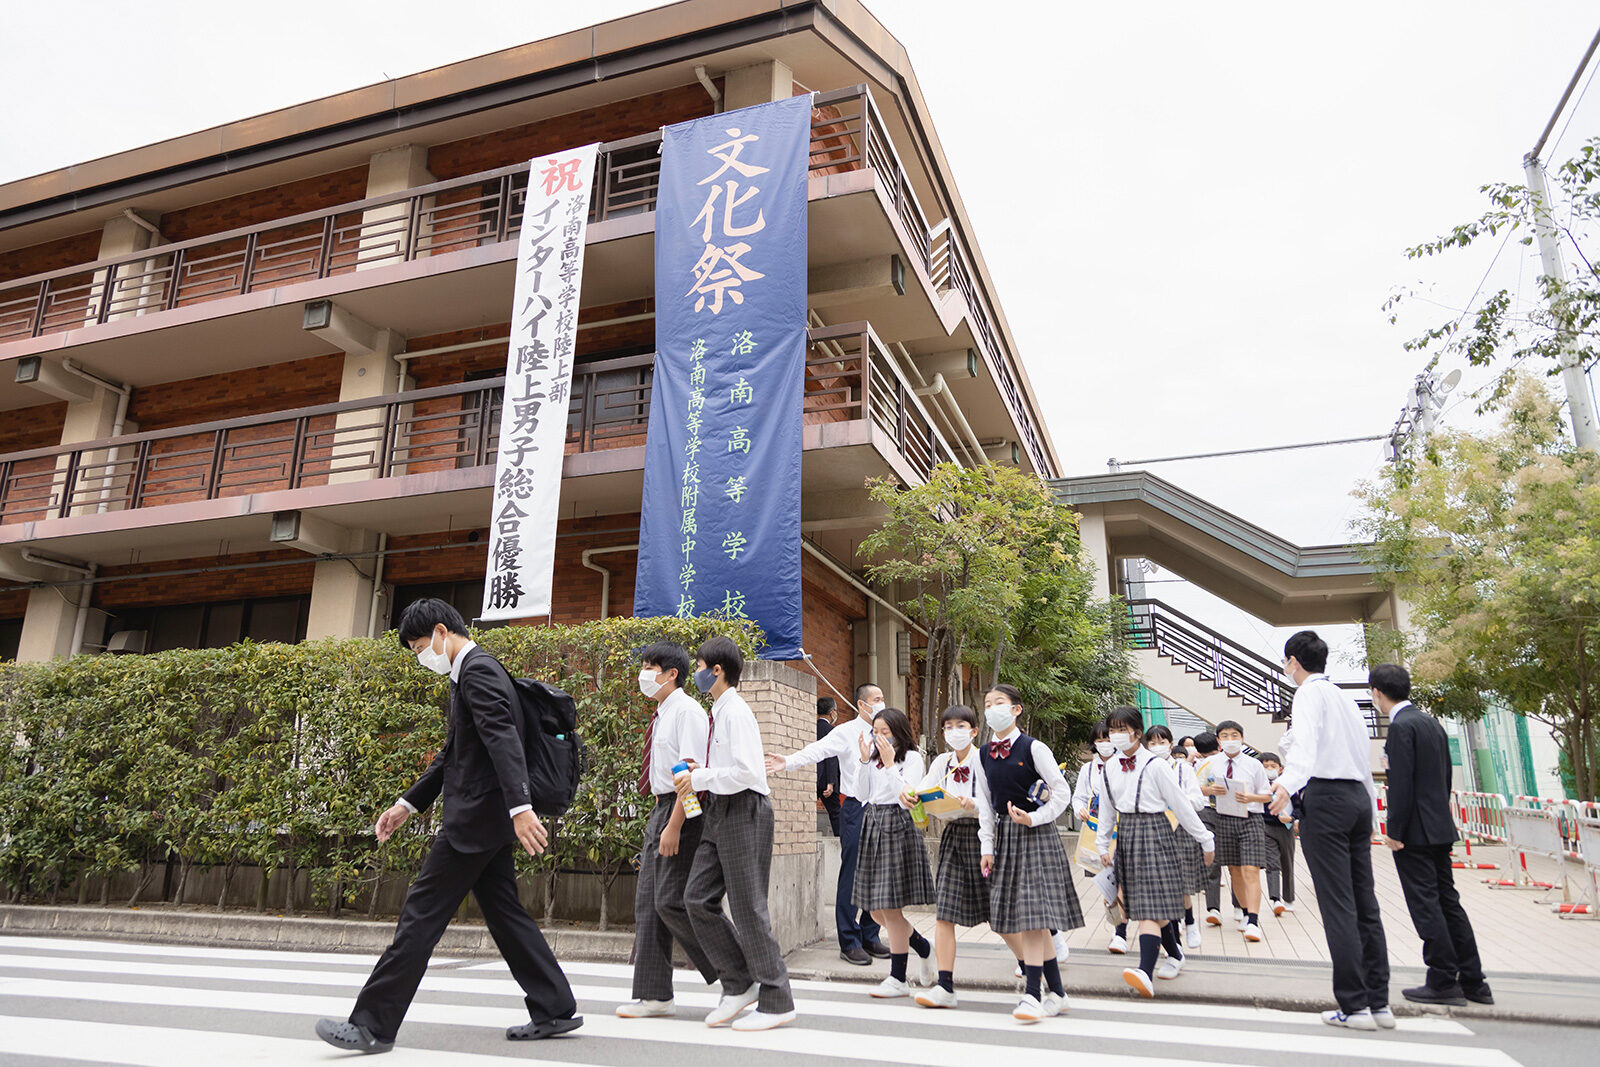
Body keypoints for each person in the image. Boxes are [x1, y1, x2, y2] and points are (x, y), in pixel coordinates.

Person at [315, 599, 580, 1054]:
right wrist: (406, 805)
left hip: (475, 822)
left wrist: (521, 807)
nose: (422, 657)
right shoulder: (470, 673)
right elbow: (454, 753)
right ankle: (554, 1006)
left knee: (420, 917)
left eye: (420, 646)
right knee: (505, 914)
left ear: (442, 632)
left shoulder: (476, 671)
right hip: (486, 820)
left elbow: (503, 740)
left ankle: (371, 1025)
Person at [1270, 631, 1392, 1032]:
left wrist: (1287, 784)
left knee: (1338, 904)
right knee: (1364, 902)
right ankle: (1379, 1003)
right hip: (1358, 797)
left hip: (1327, 798)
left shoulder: (1307, 694)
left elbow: (1303, 745)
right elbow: (1362, 756)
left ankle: (1354, 1006)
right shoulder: (1345, 698)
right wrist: (1371, 814)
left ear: (1293, 662)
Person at [674, 636, 796, 1032]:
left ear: (718, 670)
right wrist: (702, 769)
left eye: (700, 665)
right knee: (696, 897)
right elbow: (729, 766)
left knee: (747, 907)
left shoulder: (736, 713)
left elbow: (746, 772)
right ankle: (740, 982)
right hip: (719, 811)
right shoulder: (718, 712)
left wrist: (700, 776)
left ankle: (777, 999)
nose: (697, 672)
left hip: (744, 809)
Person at [1372, 663, 1492, 1007]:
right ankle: (1474, 981)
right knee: (1448, 903)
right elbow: (1445, 777)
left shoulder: (1400, 728)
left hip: (1414, 832)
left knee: (1426, 907)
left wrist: (1393, 830)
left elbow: (1401, 784)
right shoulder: (1431, 723)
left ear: (1377, 692)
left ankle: (1442, 980)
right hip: (1439, 825)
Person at [617, 641, 718, 1019]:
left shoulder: (687, 712)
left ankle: (736, 973)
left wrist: (675, 825)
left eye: (649, 666)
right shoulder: (662, 712)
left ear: (671, 673)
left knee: (669, 902)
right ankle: (655, 994)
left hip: (683, 810)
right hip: (661, 807)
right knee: (648, 905)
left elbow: (690, 776)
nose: (644, 674)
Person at [977, 684, 1083, 1023]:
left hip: (1035, 835)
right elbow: (985, 804)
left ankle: (1033, 995)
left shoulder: (1034, 748)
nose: (992, 708)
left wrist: (1034, 818)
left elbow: (1062, 792)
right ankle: (1059, 995)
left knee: (1034, 920)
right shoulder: (983, 753)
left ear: (1016, 709)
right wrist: (987, 846)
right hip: (1006, 837)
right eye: (988, 703)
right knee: (1026, 919)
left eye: (1000, 703)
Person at [1097, 707, 1216, 998]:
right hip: (1126, 835)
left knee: (1148, 905)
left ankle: (1144, 971)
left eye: (1122, 729)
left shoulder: (1156, 765)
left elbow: (1180, 804)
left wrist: (1206, 839)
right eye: (1112, 729)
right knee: (1145, 902)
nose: (1116, 735)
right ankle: (1174, 954)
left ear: (1138, 733)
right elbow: (1107, 810)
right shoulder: (1110, 767)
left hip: (1155, 833)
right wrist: (1102, 845)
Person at [766, 683, 888, 965]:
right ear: (862, 704)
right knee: (853, 872)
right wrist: (789, 762)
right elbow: (817, 751)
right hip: (856, 807)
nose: (882, 703)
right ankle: (849, 940)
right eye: (877, 699)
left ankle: (871, 934)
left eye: (883, 698)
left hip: (884, 807)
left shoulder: (887, 732)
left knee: (878, 873)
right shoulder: (845, 732)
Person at [851, 706, 936, 998]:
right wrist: (864, 760)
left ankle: (898, 978)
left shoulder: (912, 759)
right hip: (873, 824)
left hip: (897, 825)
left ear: (898, 732)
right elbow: (861, 795)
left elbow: (906, 798)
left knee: (891, 908)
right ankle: (924, 947)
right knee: (875, 911)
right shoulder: (873, 759)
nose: (879, 737)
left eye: (884, 732)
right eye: (876, 732)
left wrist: (889, 765)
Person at [912, 705, 994, 1009]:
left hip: (982, 837)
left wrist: (973, 805)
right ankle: (945, 986)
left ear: (973, 731)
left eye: (961, 726)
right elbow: (924, 788)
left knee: (998, 915)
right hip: (952, 837)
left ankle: (1032, 966)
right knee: (944, 911)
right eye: (948, 727)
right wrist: (911, 795)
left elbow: (991, 804)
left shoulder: (983, 760)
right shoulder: (942, 761)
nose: (953, 732)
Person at [1204, 720, 1271, 942]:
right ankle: (1243, 911)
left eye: (1234, 735)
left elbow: (1267, 795)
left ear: (1242, 738)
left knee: (1250, 869)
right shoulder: (1210, 763)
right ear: (1218, 740)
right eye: (1225, 736)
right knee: (1234, 869)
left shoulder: (1254, 765)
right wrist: (1209, 790)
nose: (1230, 740)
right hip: (1223, 818)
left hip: (1251, 818)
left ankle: (1253, 920)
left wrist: (1251, 797)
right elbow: (1194, 787)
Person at [1147, 724, 1207, 948]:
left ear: (1171, 745)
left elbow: (1198, 802)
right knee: (1160, 886)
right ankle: (1174, 939)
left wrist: (1176, 801)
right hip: (1154, 829)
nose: (1157, 747)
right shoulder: (1145, 768)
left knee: (1180, 883)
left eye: (1161, 742)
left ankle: (1189, 922)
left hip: (1180, 828)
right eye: (1152, 743)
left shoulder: (1184, 769)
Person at [1257, 751, 1298, 916]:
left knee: (1287, 863)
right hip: (1266, 827)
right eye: (1265, 766)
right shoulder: (1258, 785)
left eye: (1273, 766)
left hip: (1286, 827)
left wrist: (1292, 818)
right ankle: (1276, 899)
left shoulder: (1289, 786)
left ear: (1280, 769)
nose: (1269, 769)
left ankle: (1289, 898)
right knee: (1272, 864)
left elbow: (1300, 806)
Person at [816, 698, 842, 838]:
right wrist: (831, 781)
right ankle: (841, 839)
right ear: (832, 712)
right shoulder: (832, 731)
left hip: (812, 777)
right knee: (836, 813)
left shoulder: (810, 728)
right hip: (827, 779)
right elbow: (831, 757)